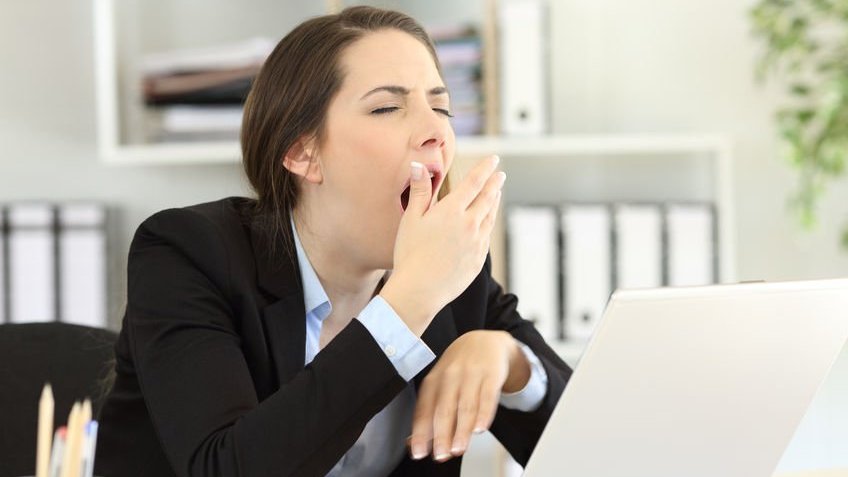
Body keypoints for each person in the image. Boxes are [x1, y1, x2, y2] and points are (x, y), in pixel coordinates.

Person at [95, 6, 572, 477]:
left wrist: (510, 363)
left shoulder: (454, 273)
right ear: (303, 152)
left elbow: (602, 454)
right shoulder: (187, 253)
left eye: (441, 106)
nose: (436, 133)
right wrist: (409, 304)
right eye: (388, 107)